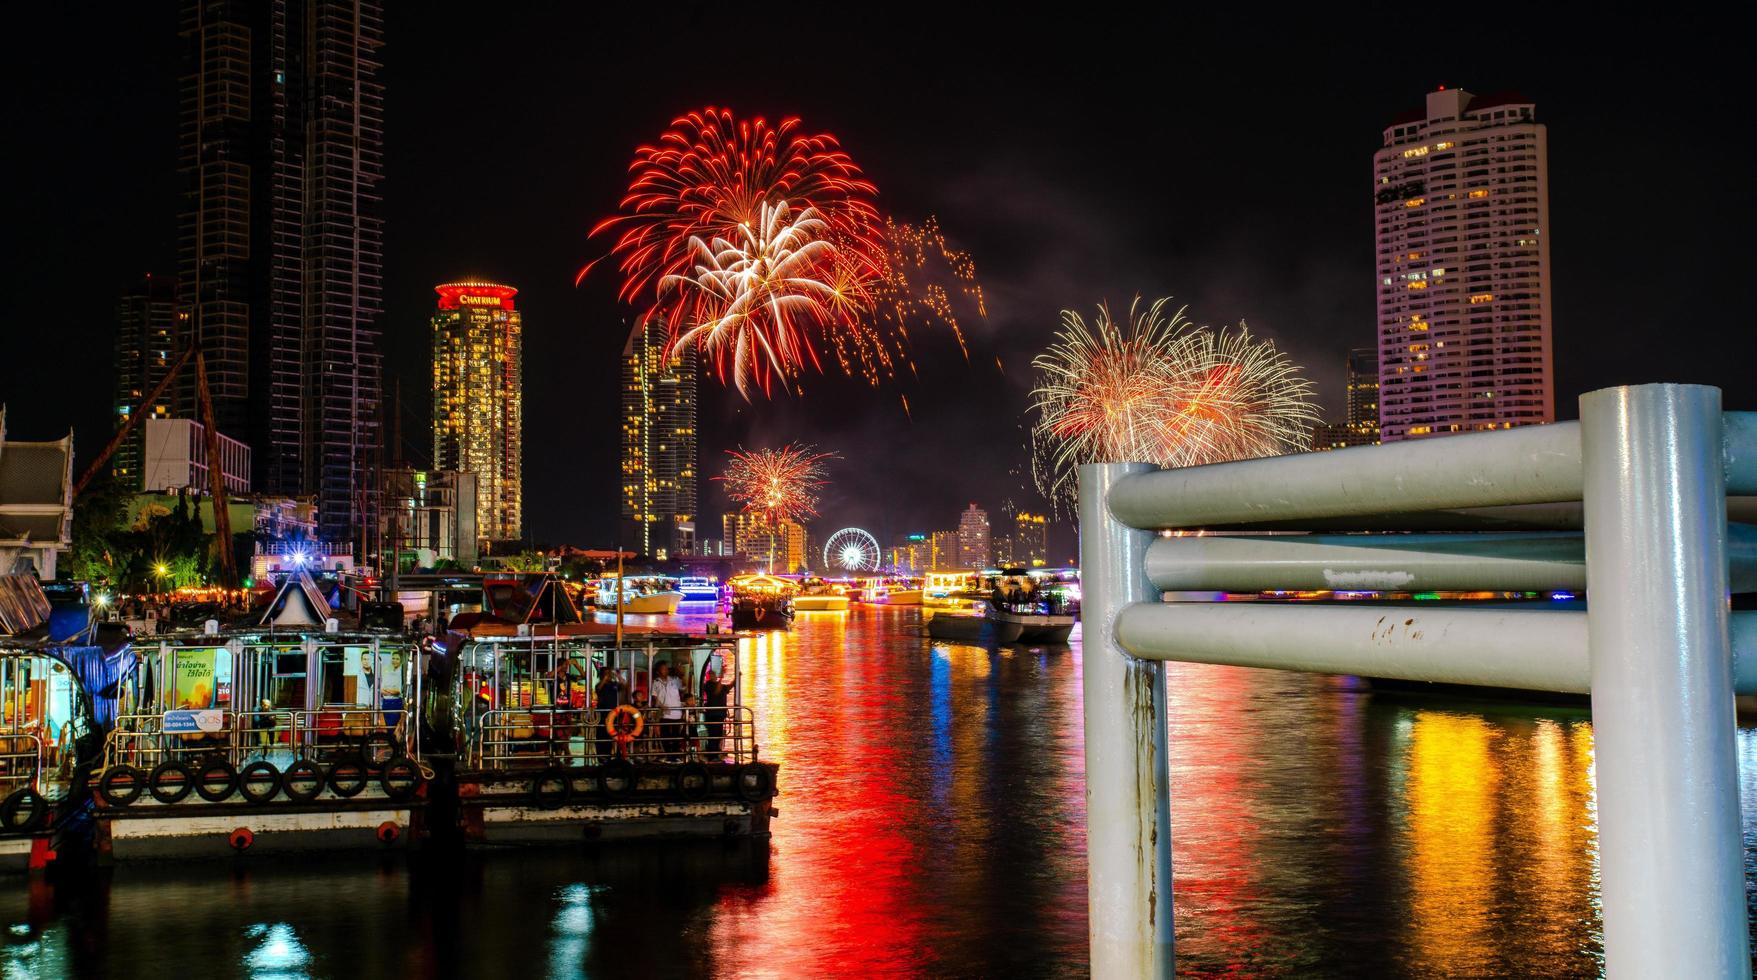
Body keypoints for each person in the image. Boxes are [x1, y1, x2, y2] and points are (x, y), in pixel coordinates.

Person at [650, 661, 684, 760]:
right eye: (663, 668)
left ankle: (675, 756)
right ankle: (669, 755)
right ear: (658, 671)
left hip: (676, 712)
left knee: (676, 735)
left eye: (666, 668)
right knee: (665, 735)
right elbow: (654, 697)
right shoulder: (656, 682)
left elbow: (683, 686)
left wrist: (681, 674)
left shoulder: (674, 680)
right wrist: (660, 706)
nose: (666, 670)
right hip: (664, 713)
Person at [594, 665, 624, 761]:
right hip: (603, 712)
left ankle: (609, 755)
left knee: (611, 733)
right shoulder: (599, 684)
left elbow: (623, 685)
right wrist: (604, 679)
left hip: (613, 713)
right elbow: (598, 689)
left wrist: (619, 675)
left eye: (609, 673)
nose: (609, 675)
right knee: (601, 733)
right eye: (606, 673)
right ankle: (601, 756)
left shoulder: (614, 684)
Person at [701, 668, 731, 761]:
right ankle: (712, 755)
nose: (714, 676)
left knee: (718, 734)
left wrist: (736, 679)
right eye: (712, 674)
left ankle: (716, 754)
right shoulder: (708, 685)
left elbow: (728, 688)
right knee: (713, 734)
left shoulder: (719, 685)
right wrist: (721, 678)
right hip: (712, 714)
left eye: (714, 674)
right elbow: (716, 692)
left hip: (720, 714)